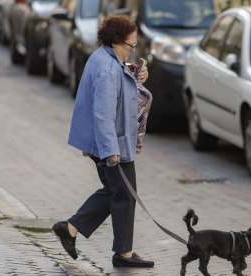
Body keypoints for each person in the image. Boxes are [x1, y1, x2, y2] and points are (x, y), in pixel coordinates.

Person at [52, 14, 154, 268]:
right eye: (130, 46)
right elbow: (103, 112)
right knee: (124, 194)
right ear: (117, 42)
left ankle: (73, 229)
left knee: (116, 192)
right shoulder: (109, 68)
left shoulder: (102, 57)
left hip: (105, 141)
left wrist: (136, 73)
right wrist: (111, 151)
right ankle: (121, 253)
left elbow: (119, 76)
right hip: (111, 143)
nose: (132, 51)